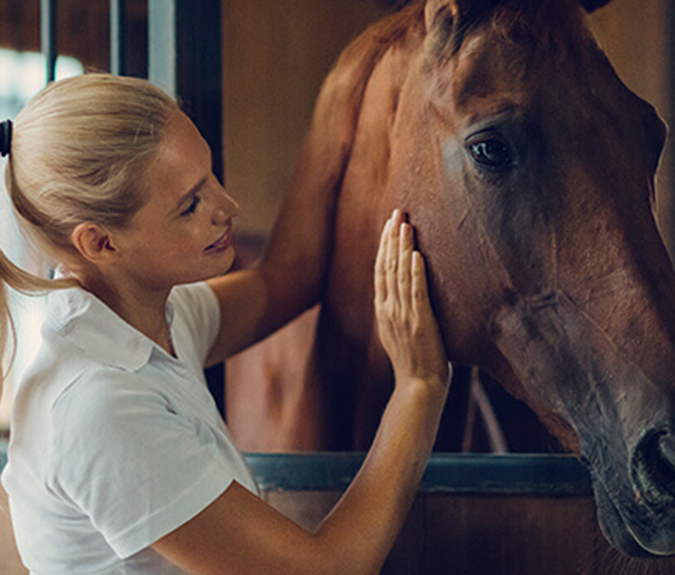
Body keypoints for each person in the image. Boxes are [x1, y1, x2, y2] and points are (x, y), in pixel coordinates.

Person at [1, 73, 451, 575]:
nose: (227, 206)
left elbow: (289, 277)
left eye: (210, 175)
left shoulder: (146, 315)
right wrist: (420, 386)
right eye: (191, 204)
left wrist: (344, 95)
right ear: (101, 243)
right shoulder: (100, 402)